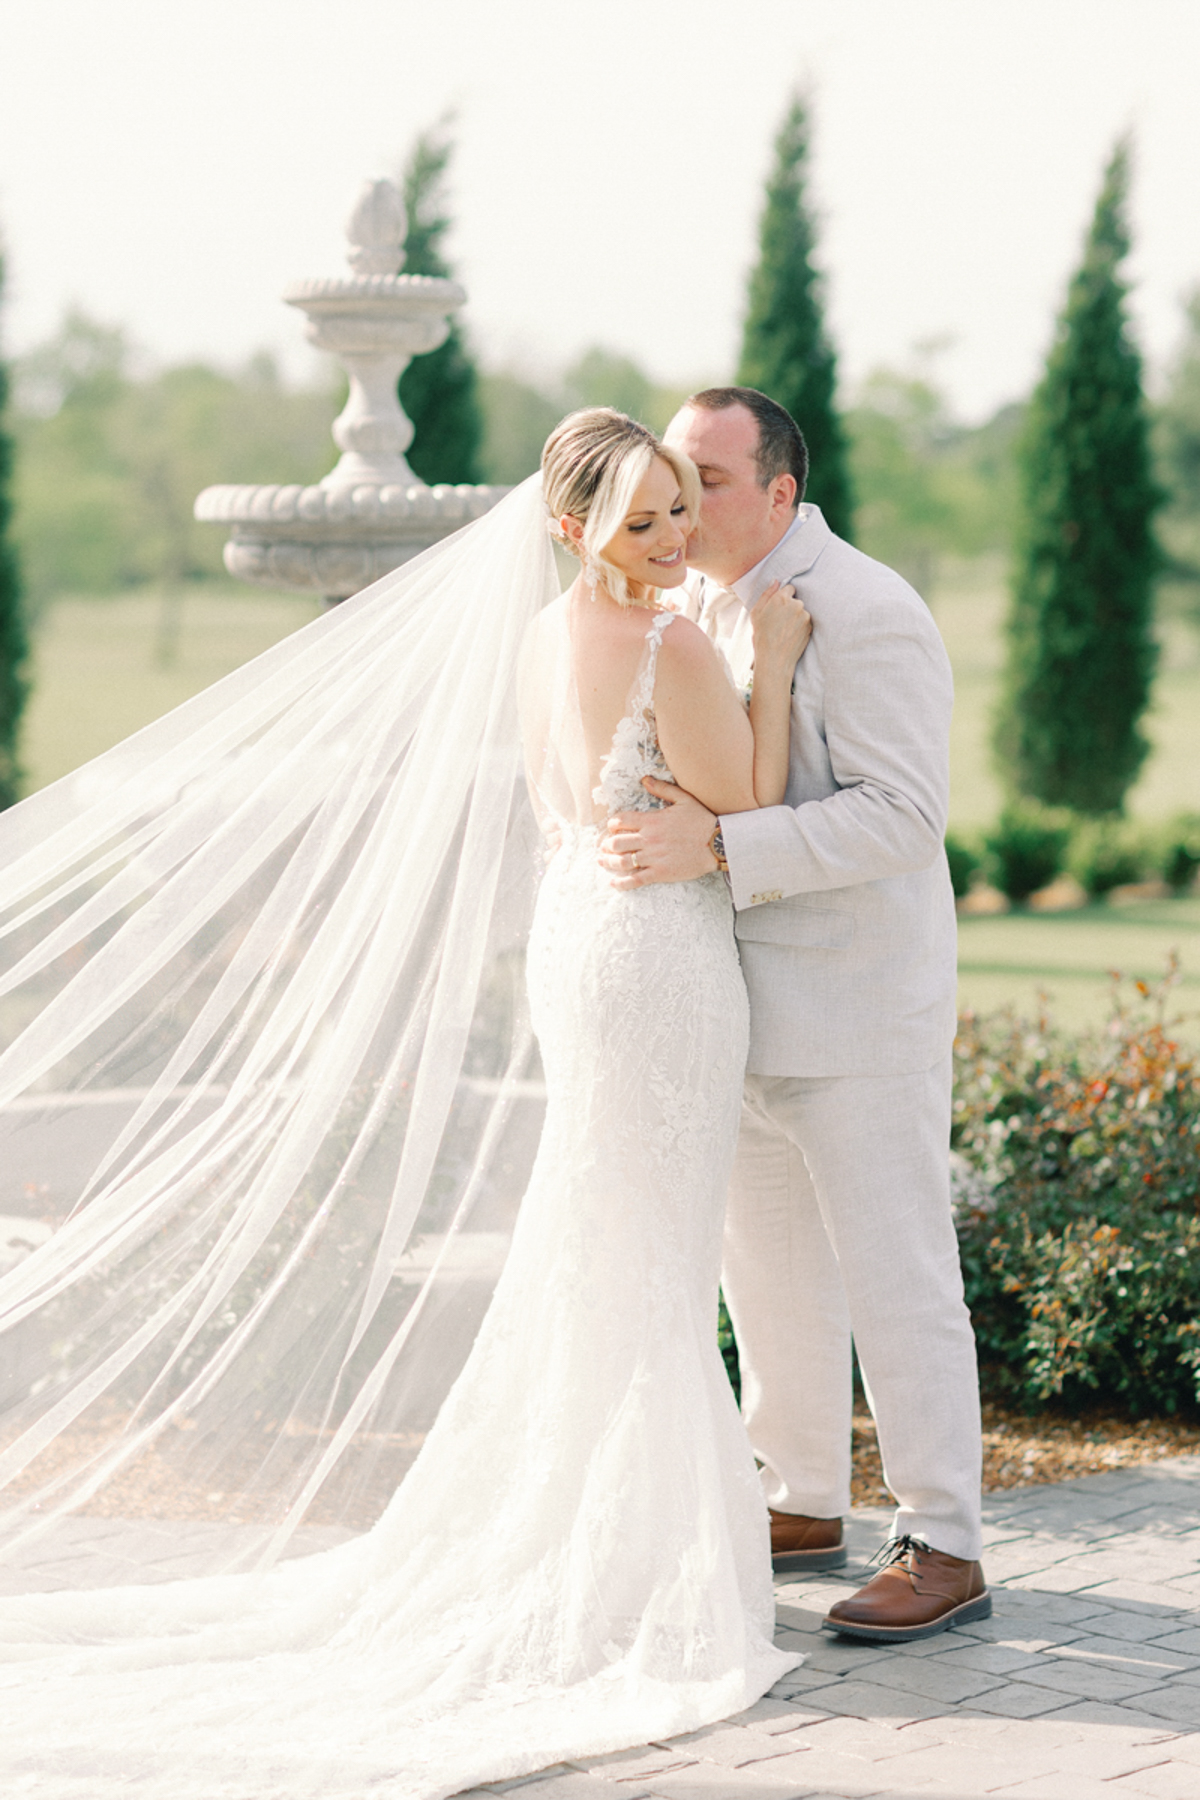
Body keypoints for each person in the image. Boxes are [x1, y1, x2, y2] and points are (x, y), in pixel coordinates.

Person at [0, 411, 814, 1798]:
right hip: (658, 959)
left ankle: (589, 1537)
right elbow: (746, 794)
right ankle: (629, 1563)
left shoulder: (543, 636)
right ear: (575, 530)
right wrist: (772, 667)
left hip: (577, 940)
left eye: (683, 509)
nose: (676, 540)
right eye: (644, 522)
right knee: (657, 1258)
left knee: (601, 1243)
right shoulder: (678, 642)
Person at [601, 386, 990, 1643]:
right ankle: (803, 1497)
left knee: (897, 1277)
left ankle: (944, 1541)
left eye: (711, 479)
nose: (685, 501)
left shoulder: (870, 609)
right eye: (677, 476)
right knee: (763, 1274)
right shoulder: (690, 609)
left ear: (780, 490)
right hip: (729, 1007)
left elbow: (899, 816)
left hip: (861, 1005)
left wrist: (718, 843)